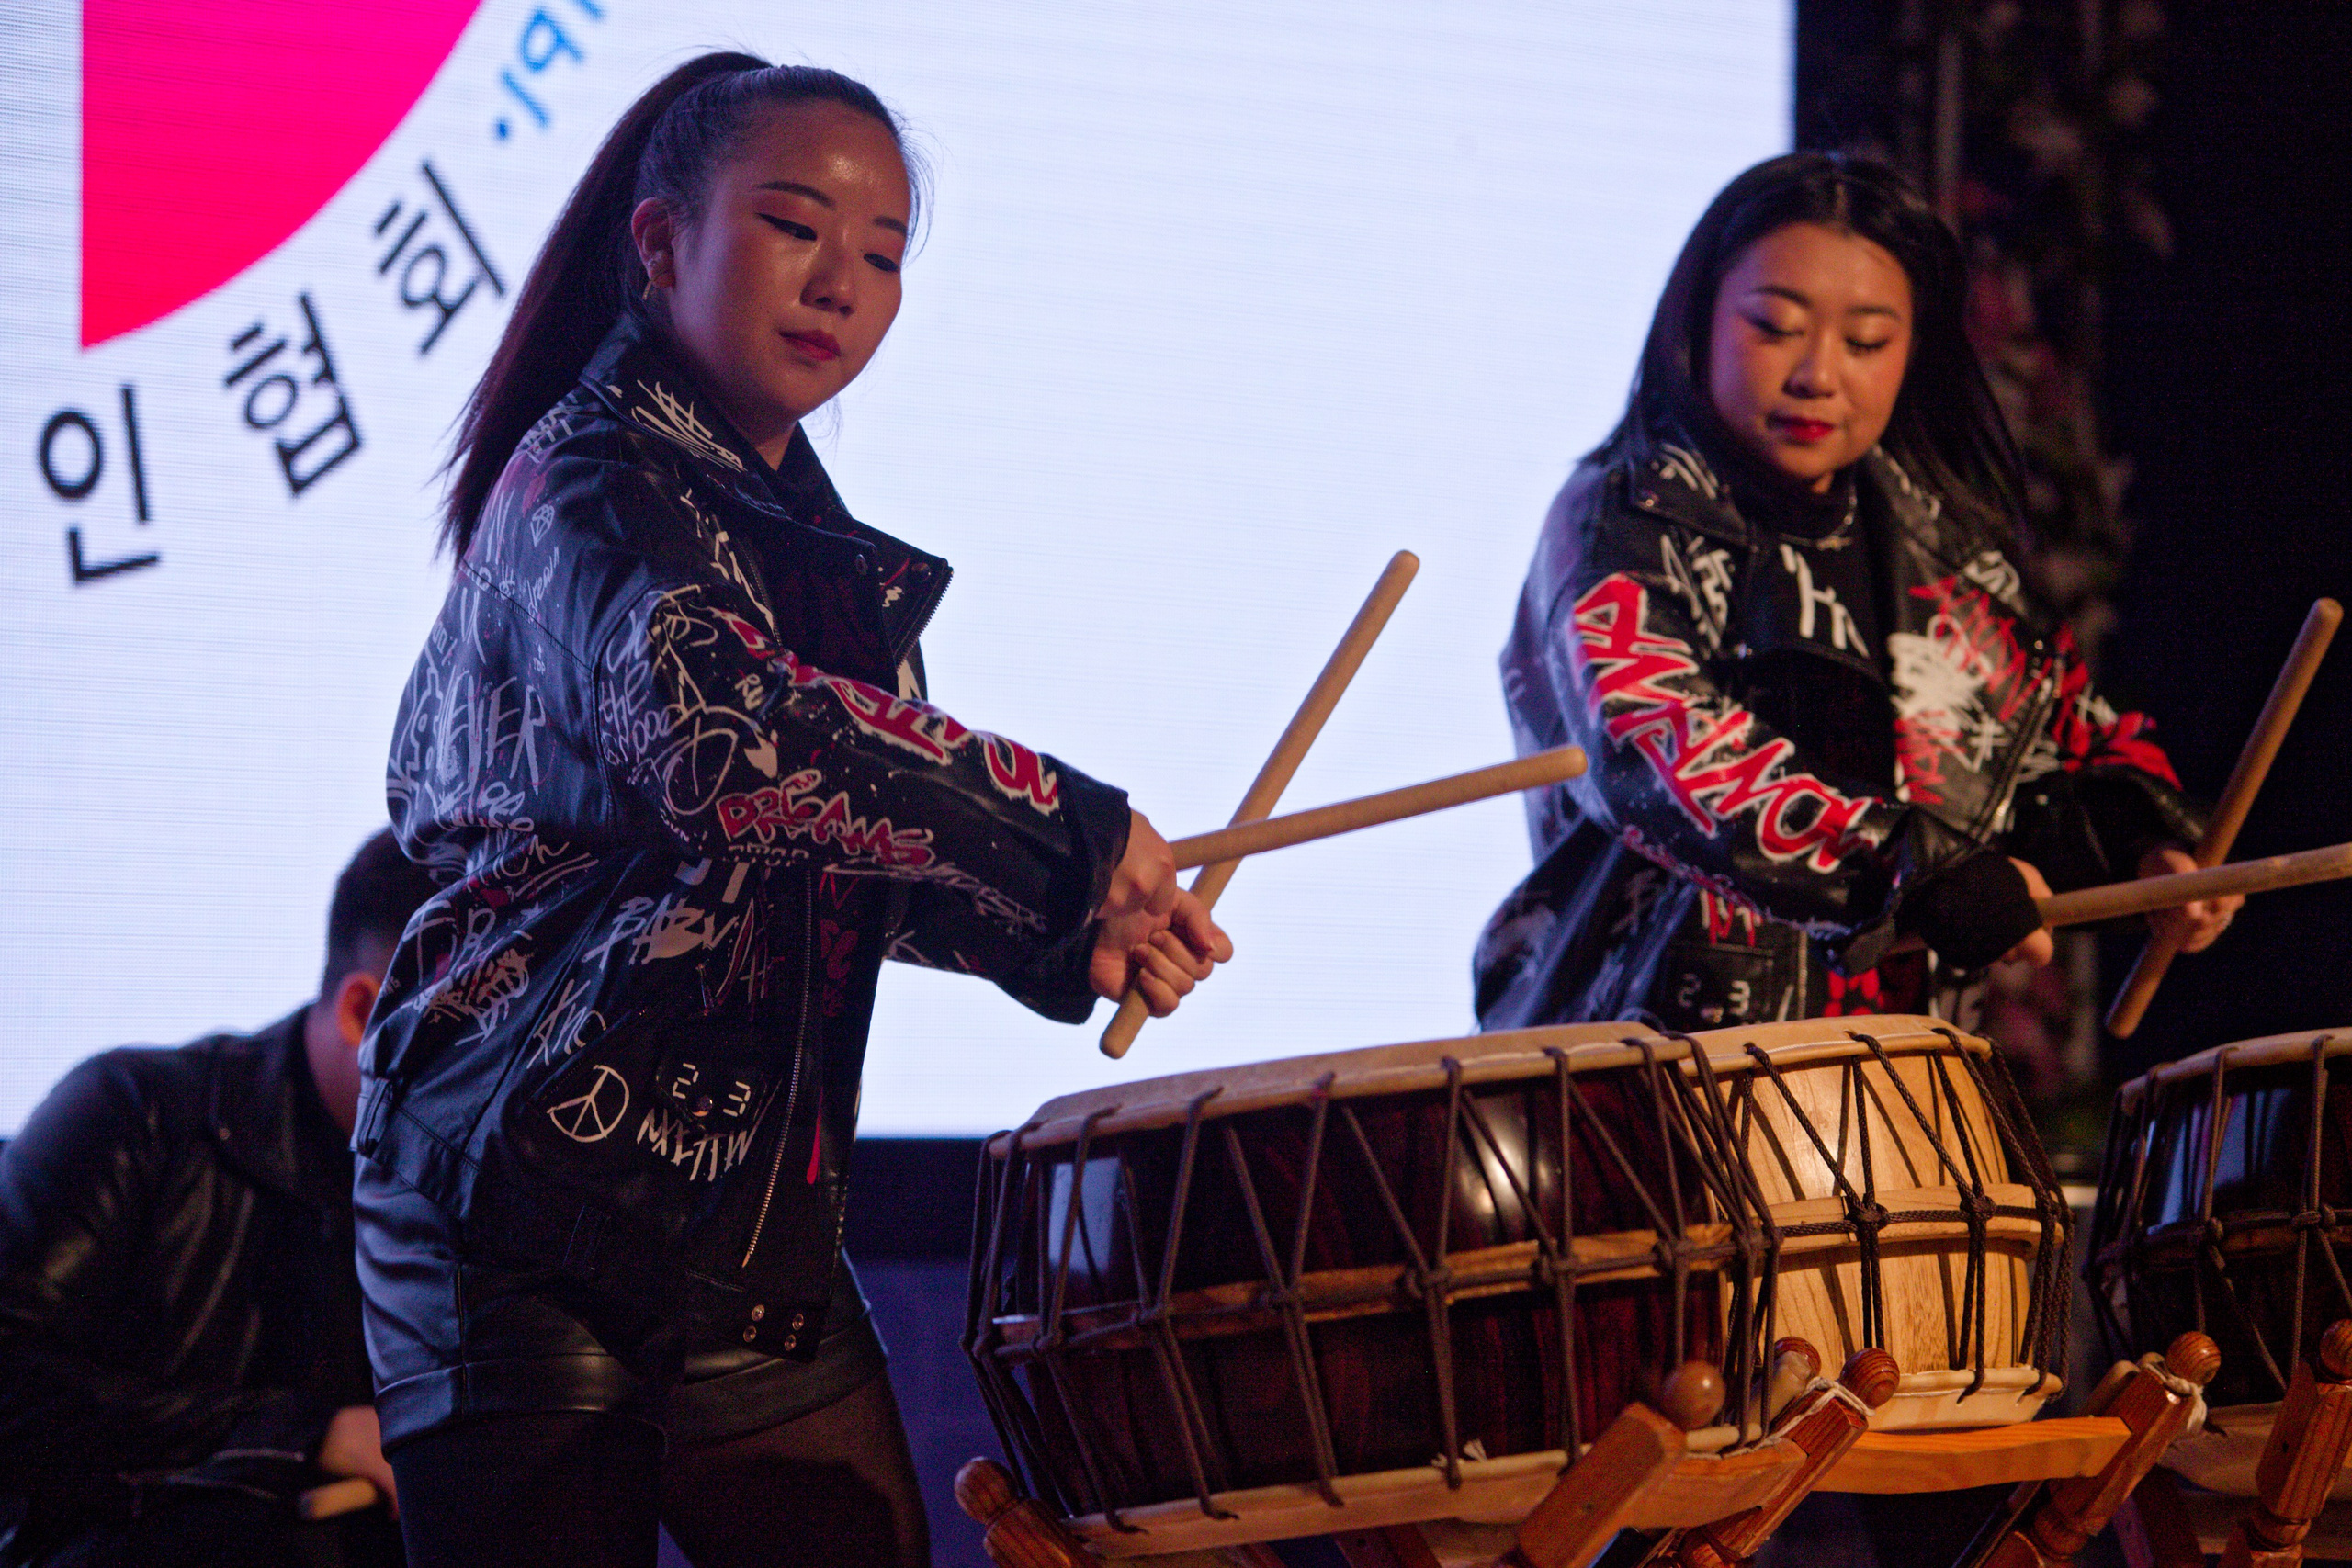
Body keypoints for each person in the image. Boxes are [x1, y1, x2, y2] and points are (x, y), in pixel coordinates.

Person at [354, 53, 1231, 1568]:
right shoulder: (584, 487)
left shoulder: (807, 544)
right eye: (794, 226)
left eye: (883, 255)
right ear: (660, 243)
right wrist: (1070, 828)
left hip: (743, 1227)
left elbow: (826, 848)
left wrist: (1062, 925)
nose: (843, 282)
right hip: (514, 1213)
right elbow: (730, 745)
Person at [1474, 152, 2239, 1036]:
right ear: (1701, 322)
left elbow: (2061, 733)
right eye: (1774, 326)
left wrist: (2157, 843)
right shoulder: (1624, 515)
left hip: (1900, 1077)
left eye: (1867, 341)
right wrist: (1905, 868)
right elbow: (1657, 740)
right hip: (1641, 1074)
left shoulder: (1937, 540)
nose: (1819, 375)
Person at [0, 829, 435, 1568]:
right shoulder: (131, 1114)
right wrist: (307, 1434)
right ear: (363, 1016)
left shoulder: (477, 1187)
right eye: (474, 1033)